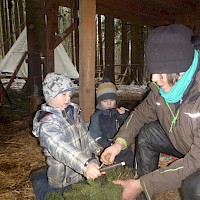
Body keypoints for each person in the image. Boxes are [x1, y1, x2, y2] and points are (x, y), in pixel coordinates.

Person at [101, 24, 200, 200]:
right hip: (185, 143)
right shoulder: (160, 92)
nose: (154, 78)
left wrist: (142, 184)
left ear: (182, 70)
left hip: (197, 157)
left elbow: (195, 162)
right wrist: (119, 143)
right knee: (148, 134)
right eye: (153, 72)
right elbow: (139, 115)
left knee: (194, 186)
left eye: (161, 73)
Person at [31, 72, 103, 200]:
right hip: (63, 179)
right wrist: (86, 164)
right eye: (63, 94)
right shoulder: (48, 123)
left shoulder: (73, 113)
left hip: (82, 172)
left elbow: (85, 135)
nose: (68, 98)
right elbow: (61, 148)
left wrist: (99, 150)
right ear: (49, 96)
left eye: (70, 94)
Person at [89, 79, 134, 167]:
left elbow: (128, 127)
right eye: (105, 101)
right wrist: (106, 145)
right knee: (109, 167)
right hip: (104, 147)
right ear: (99, 102)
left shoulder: (120, 112)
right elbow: (94, 135)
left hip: (123, 146)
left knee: (128, 165)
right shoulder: (96, 117)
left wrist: (123, 116)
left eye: (112, 100)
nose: (109, 103)